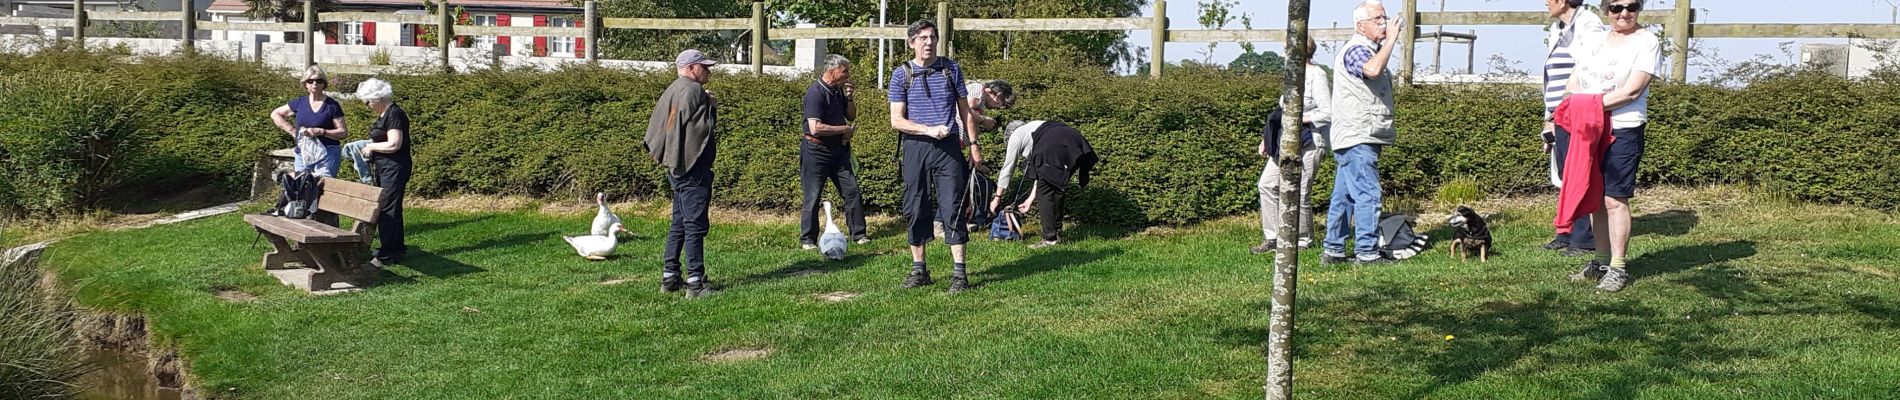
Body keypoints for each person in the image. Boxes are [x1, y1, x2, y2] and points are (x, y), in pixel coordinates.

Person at [1564, 0, 1660, 292]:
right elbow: (1573, 81)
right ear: (1606, 10)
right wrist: (1582, 106)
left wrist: (1589, 106)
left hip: (1623, 127)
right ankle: (1601, 260)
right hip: (1589, 126)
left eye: (1632, 6)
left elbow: (1631, 91)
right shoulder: (1593, 40)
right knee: (1595, 197)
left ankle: (1618, 266)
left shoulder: (1647, 41)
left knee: (1615, 198)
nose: (1624, 13)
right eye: (1616, 7)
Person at [888, 20, 977, 293]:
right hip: (915, 147)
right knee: (915, 206)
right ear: (911, 42)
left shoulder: (951, 69)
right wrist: (927, 129)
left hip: (948, 148)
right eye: (922, 38)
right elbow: (896, 120)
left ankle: (959, 275)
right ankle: (919, 270)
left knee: (952, 207)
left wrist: (974, 145)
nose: (928, 42)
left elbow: (966, 111)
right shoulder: (901, 74)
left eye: (932, 37)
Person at [1322, 0, 1402, 265]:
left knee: (1343, 196)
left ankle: (1333, 250)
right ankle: (1367, 253)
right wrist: (1391, 41)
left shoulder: (1367, 48)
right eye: (1377, 19)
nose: (1384, 23)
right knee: (1368, 193)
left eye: (1385, 17)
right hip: (1358, 135)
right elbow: (1371, 70)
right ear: (1360, 25)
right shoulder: (1358, 49)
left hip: (1353, 135)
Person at [645, 49, 722, 298]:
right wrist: (711, 108)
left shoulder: (673, 88)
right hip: (692, 169)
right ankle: (696, 283)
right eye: (704, 66)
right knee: (694, 225)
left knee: (679, 222)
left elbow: (663, 128)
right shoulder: (693, 91)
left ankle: (670, 278)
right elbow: (701, 131)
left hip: (676, 168)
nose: (709, 70)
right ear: (691, 68)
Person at [1254, 35, 1331, 255]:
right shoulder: (1292, 76)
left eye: (1286, 50)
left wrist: (1298, 118)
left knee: (1300, 191)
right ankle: (1274, 237)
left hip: (1311, 141)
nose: (1282, 55)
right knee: (1267, 185)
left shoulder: (1317, 76)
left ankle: (1303, 241)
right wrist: (1267, 140)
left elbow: (1328, 112)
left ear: (1298, 52)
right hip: (1286, 142)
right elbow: (1282, 112)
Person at [1541, 0, 1605, 257]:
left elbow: (1591, 64)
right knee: (1567, 175)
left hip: (1579, 109)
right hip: (1561, 113)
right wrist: (1549, 117)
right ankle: (1566, 233)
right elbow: (1552, 80)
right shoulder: (1558, 29)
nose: (1545, 2)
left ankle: (1584, 239)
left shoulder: (1588, 23)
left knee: (1579, 174)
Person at [798, 54, 871, 250]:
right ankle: (808, 239)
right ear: (832, 72)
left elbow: (851, 114)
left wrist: (849, 97)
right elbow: (815, 128)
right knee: (812, 196)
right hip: (816, 151)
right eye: (844, 71)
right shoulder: (816, 93)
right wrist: (843, 130)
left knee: (852, 191)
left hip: (839, 151)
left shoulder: (839, 91)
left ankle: (859, 234)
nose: (848, 75)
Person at [991, 120, 1097, 248]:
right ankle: (1056, 231)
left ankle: (1049, 239)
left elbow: (1008, 169)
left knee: (1045, 193)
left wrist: (997, 198)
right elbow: (1042, 175)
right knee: (1056, 188)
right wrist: (1030, 200)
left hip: (1055, 143)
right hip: (1075, 140)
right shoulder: (1034, 129)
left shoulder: (1016, 136)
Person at [352, 78, 411, 267]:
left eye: (368, 101)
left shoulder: (394, 114)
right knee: (391, 207)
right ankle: (396, 248)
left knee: (387, 209)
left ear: (378, 98)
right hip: (384, 167)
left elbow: (394, 144)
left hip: (395, 167)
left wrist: (371, 146)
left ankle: (387, 254)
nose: (367, 105)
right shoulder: (384, 115)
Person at [270, 66, 348, 178]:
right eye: (311, 81)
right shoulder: (300, 103)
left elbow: (343, 132)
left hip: (327, 152)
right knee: (300, 185)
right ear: (305, 84)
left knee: (323, 186)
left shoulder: (332, 105)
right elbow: (275, 114)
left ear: (324, 84)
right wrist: (292, 131)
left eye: (319, 81)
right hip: (303, 152)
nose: (315, 84)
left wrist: (322, 132)